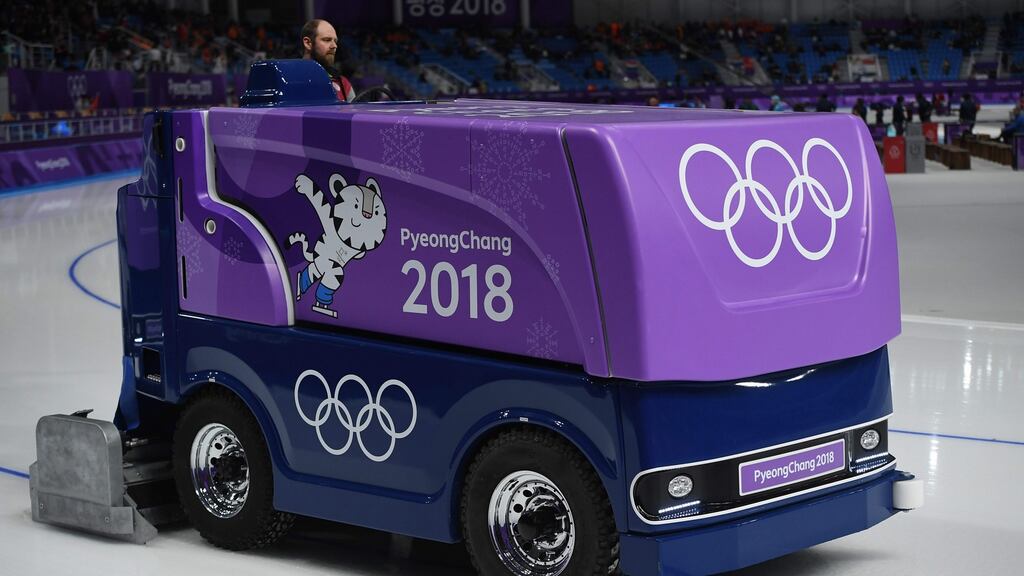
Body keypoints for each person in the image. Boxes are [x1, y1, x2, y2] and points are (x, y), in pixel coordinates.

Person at [301, 19, 355, 102]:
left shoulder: (343, 84)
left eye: (335, 41)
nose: (334, 46)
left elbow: (353, 113)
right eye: (327, 40)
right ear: (308, 43)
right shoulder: (289, 79)